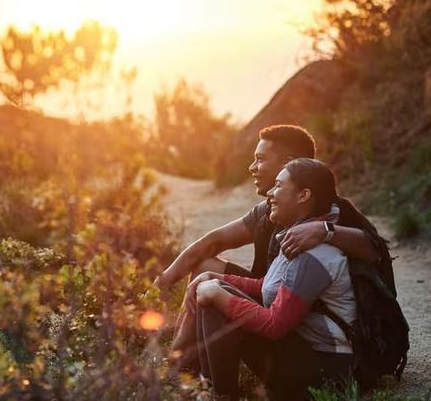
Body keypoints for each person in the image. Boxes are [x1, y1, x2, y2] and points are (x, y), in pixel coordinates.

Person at [153, 125, 387, 366]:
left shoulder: (331, 211)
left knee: (215, 295)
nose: (252, 167)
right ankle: (181, 361)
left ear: (289, 163)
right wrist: (159, 285)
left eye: (260, 159)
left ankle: (180, 370)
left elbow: (374, 250)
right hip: (271, 295)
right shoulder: (270, 210)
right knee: (205, 268)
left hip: (319, 328)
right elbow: (214, 241)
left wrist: (324, 231)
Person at [190, 158, 356, 400]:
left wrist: (218, 293)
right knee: (214, 287)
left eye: (278, 186)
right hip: (302, 349)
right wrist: (217, 277)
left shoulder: (314, 255)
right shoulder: (298, 235)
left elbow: (275, 326)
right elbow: (267, 286)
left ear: (303, 195)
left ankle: (219, 394)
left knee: (216, 299)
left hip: (325, 368)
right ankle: (212, 388)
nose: (270, 193)